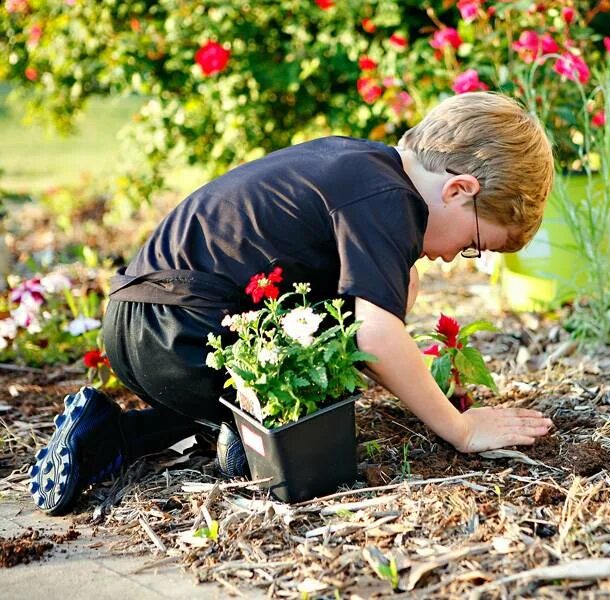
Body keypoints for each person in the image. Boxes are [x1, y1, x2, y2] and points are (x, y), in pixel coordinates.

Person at [30, 92, 556, 515]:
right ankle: (253, 443)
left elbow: (365, 323)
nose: (455, 257)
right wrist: (459, 427)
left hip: (142, 323)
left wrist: (412, 380)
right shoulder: (390, 203)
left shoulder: (361, 163)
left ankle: (107, 436)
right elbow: (374, 338)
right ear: (459, 189)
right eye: (473, 244)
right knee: (312, 448)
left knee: (393, 294)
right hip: (185, 332)